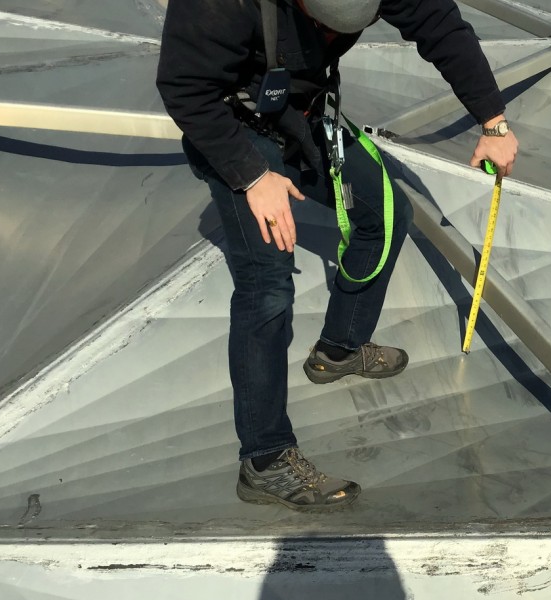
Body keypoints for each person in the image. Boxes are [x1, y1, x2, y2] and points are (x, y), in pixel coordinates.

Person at [156, 0, 518, 511]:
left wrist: (493, 122)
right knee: (267, 285)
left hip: (305, 113)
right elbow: (184, 87)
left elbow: (441, 27)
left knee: (386, 214)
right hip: (236, 124)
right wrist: (253, 177)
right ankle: (264, 460)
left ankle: (339, 349)